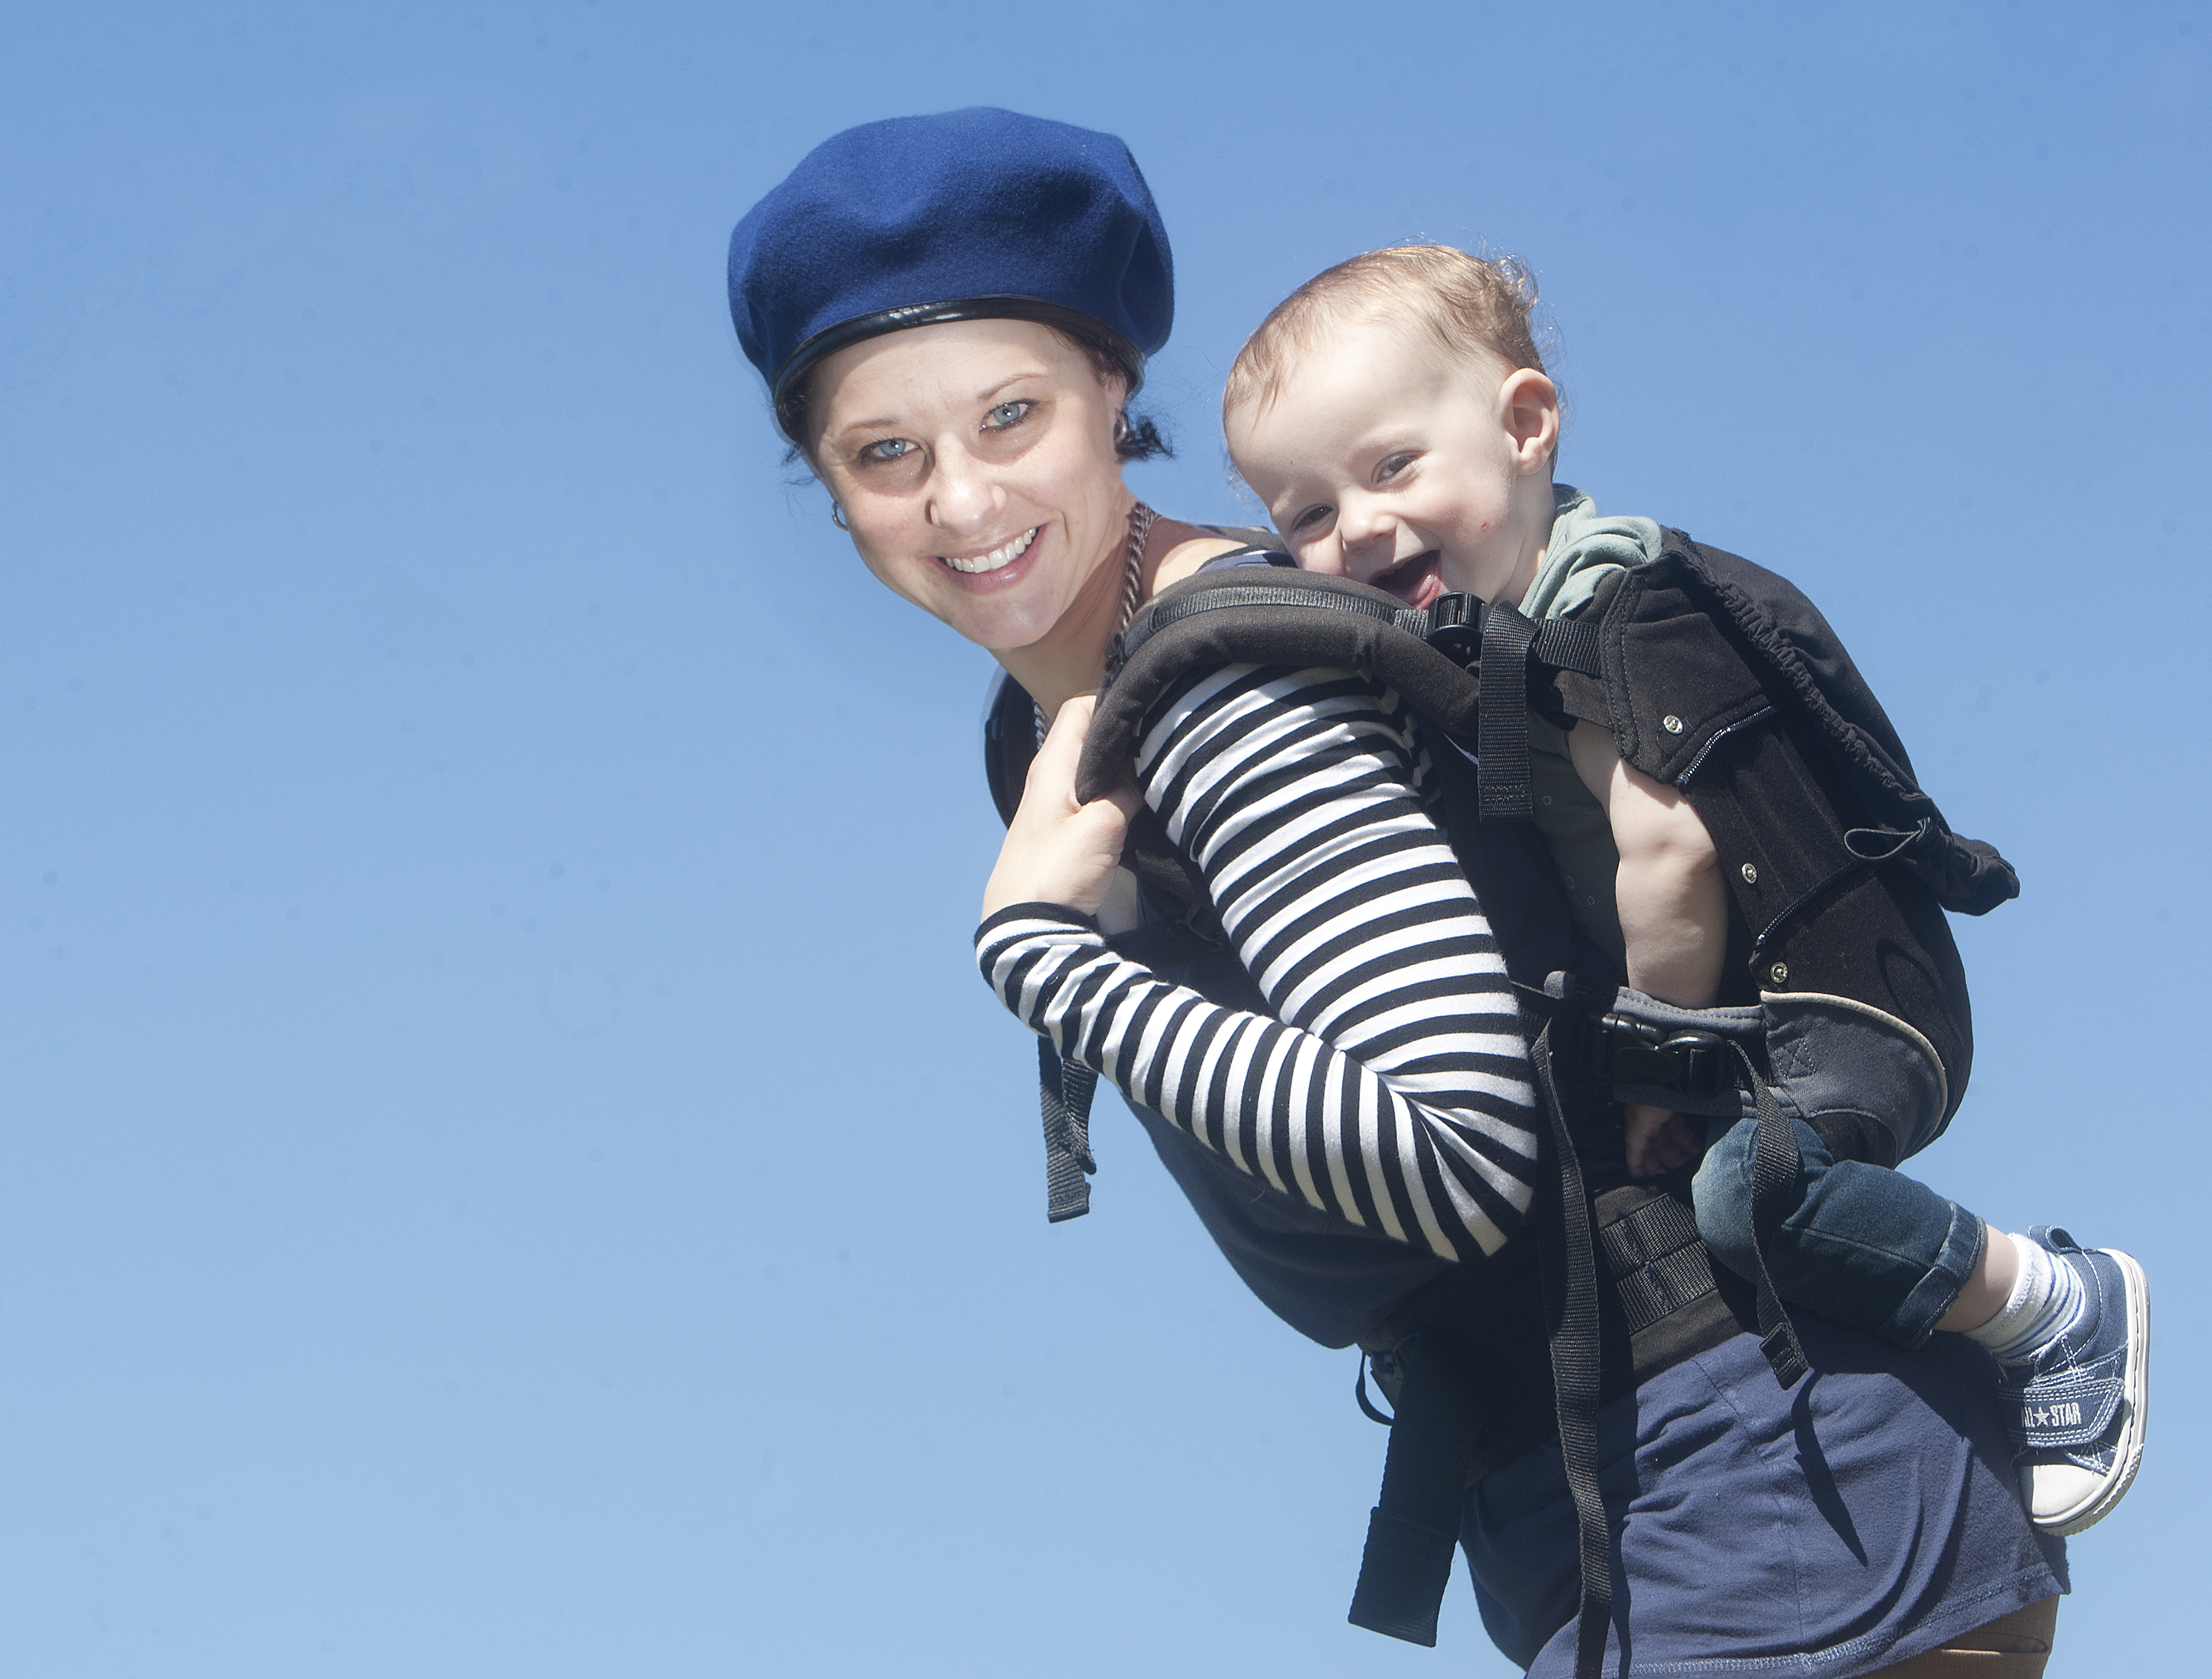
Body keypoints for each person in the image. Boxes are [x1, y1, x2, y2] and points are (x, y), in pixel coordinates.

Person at [729, 106, 2067, 1677]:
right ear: (826, 486)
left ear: (1108, 391)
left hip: (1741, 1472)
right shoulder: (1089, 708)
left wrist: (1039, 956)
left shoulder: (1226, 688)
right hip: (1682, 1478)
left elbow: (1450, 1150)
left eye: (1007, 415)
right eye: (885, 450)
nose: (960, 501)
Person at [1220, 243, 2148, 1540]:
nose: (1358, 529)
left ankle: (2046, 1301)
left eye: (1392, 469)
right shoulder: (1505, 626)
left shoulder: (1605, 610)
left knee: (1744, 1197)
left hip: (1840, 1005)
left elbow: (1673, 856)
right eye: (1305, 516)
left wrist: (1658, 1066)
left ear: (1527, 426)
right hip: (1771, 1010)